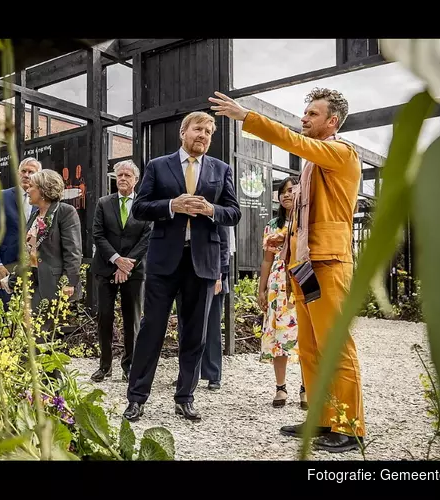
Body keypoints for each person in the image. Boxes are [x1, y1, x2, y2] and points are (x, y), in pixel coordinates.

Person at [210, 88, 364, 453]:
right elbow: (309, 214)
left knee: (335, 347)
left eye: (312, 113)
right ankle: (323, 419)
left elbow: (292, 140)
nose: (304, 119)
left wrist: (246, 117)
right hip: (305, 263)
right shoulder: (313, 163)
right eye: (304, 112)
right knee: (310, 347)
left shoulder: (340, 153)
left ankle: (350, 426)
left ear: (332, 121)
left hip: (329, 263)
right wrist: (288, 240)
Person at [123, 111, 241, 422]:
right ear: (183, 132)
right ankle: (136, 398)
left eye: (209, 132)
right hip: (164, 262)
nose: (204, 136)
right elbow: (139, 208)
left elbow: (234, 212)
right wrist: (171, 206)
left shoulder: (221, 169)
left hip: (203, 262)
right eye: (198, 129)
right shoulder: (158, 166)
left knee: (195, 334)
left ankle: (185, 397)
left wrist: (212, 209)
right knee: (151, 330)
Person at [90, 160, 152, 383]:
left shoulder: (144, 206)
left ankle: (130, 366)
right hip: (106, 268)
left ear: (136, 180)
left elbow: (147, 237)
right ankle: (105, 366)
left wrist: (128, 264)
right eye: (119, 175)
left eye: (127, 175)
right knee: (104, 317)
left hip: (134, 272)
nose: (123, 178)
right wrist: (117, 261)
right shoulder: (103, 203)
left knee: (131, 319)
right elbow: (98, 234)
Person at [259, 176, 307, 410]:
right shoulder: (272, 224)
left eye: (291, 190)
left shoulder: (307, 221)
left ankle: (306, 388)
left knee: (306, 333)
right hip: (278, 283)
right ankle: (280, 387)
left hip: (302, 277)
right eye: (283, 191)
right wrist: (262, 287)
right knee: (279, 334)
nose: (287, 195)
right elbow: (267, 259)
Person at [174, 223, 230, 390]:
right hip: (185, 273)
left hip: (212, 274)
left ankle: (213, 374)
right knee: (185, 327)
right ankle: (188, 374)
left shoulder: (215, 205)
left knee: (212, 327)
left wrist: (220, 276)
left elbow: (224, 243)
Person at [23, 169, 82, 314]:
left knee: (40, 332)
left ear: (43, 190)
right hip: (34, 280)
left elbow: (73, 250)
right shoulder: (35, 215)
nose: (27, 190)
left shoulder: (65, 212)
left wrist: (68, 281)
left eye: (31, 186)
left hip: (55, 283)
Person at [0, 157, 42, 305]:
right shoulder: (1, 197)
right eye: (23, 171)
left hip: (34, 271)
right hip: (6, 267)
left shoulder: (43, 202)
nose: (26, 175)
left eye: (31, 172)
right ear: (18, 174)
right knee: (5, 315)